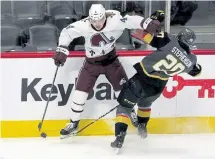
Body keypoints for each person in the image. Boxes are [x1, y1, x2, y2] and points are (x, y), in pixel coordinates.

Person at [52, 4, 162, 139]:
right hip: (91, 65)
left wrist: (147, 23)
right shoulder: (83, 25)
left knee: (124, 93)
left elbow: (131, 20)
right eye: (94, 20)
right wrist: (62, 49)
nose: (97, 23)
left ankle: (131, 113)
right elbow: (66, 32)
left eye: (100, 20)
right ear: (90, 18)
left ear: (104, 16)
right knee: (79, 95)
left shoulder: (115, 20)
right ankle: (73, 123)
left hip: (111, 62)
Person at [110, 28, 202, 151]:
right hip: (158, 86)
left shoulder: (168, 40)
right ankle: (142, 126)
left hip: (142, 80)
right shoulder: (191, 60)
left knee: (124, 107)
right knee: (145, 104)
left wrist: (135, 30)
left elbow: (147, 37)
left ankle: (120, 136)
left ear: (180, 37)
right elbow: (196, 72)